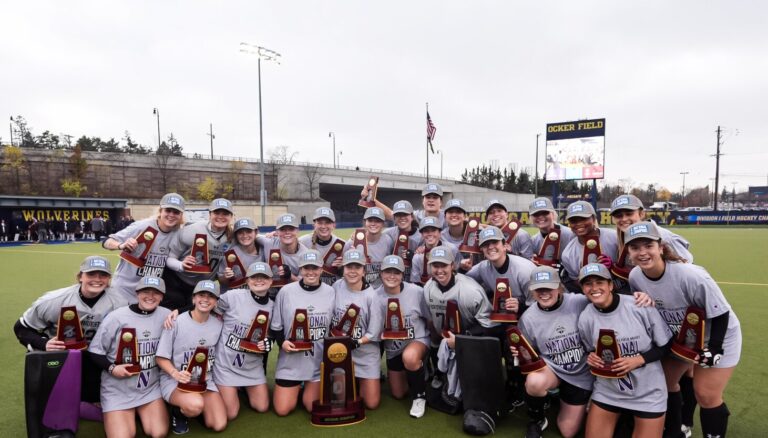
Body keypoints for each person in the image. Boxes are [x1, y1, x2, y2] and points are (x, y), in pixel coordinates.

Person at [626, 221, 741, 438]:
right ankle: (677, 431)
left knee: (706, 394)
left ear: (660, 247)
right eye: (635, 247)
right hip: (684, 338)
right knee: (664, 383)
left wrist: (714, 348)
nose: (642, 252)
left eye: (648, 245)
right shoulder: (635, 277)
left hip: (718, 335)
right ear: (629, 252)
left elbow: (721, 312)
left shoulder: (689, 275)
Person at [14, 256, 123, 415]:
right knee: (58, 396)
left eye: (103, 275)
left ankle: (92, 398)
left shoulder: (120, 301)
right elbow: (22, 328)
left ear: (109, 279)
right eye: (91, 274)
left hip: (97, 355)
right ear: (80, 277)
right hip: (64, 355)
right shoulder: (54, 300)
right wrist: (43, 344)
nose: (97, 280)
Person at [577, 263, 673, 438]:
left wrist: (637, 360)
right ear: (583, 289)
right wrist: (591, 358)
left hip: (647, 392)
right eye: (588, 284)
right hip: (608, 391)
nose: (594, 288)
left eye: (600, 282)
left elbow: (666, 345)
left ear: (611, 285)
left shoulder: (639, 306)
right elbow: (589, 350)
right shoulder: (586, 317)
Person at [513, 265, 593, 438]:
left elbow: (608, 302)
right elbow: (529, 355)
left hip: (582, 372)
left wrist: (639, 296)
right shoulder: (528, 319)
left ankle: (572, 397)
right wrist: (520, 354)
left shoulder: (578, 302)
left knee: (567, 431)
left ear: (559, 287)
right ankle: (538, 418)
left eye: (549, 288)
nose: (544, 293)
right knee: (534, 382)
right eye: (538, 289)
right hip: (553, 370)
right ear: (532, 291)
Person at [88, 276, 172, 438]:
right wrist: (112, 368)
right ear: (137, 293)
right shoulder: (116, 317)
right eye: (145, 291)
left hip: (149, 388)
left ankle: (135, 414)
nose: (150, 296)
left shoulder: (166, 315)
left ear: (162, 297)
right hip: (118, 389)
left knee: (158, 433)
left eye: (156, 293)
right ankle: (95, 408)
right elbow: (95, 351)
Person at [422, 246, 497, 399]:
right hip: (444, 334)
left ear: (453, 266)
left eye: (444, 265)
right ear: (430, 267)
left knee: (469, 387)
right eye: (436, 266)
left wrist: (462, 339)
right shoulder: (428, 287)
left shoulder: (471, 290)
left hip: (471, 338)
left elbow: (489, 325)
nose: (439, 270)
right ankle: (439, 371)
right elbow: (431, 319)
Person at [269, 250, 335, 416]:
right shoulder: (286, 292)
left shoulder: (331, 292)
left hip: (317, 362)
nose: (311, 272)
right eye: (306, 268)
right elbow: (276, 327)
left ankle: (309, 388)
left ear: (321, 269)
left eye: (315, 268)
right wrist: (282, 342)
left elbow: (335, 325)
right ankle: (296, 387)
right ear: (300, 269)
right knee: (282, 410)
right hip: (291, 360)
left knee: (312, 406)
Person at [156, 280, 226, 434]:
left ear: (215, 302)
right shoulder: (175, 322)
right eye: (201, 295)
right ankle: (178, 412)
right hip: (176, 380)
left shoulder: (218, 324)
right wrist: (175, 373)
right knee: (195, 405)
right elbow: (160, 357)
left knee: (218, 424)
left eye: (211, 296)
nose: (206, 300)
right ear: (193, 298)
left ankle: (197, 409)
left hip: (204, 380)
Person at [214, 262, 274, 420]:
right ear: (247, 280)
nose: (259, 280)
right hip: (226, 365)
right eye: (254, 277)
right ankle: (217, 389)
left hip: (252, 365)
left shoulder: (273, 306)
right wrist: (179, 311)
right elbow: (206, 308)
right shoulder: (233, 296)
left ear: (271, 281)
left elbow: (273, 333)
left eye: (264, 277)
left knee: (262, 406)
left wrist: (269, 341)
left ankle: (240, 388)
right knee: (231, 413)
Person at [103, 193, 186, 305]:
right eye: (168, 210)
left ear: (181, 215)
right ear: (160, 211)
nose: (171, 215)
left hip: (150, 293)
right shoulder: (142, 226)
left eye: (176, 212)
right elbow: (107, 241)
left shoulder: (179, 234)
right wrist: (121, 245)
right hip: (124, 289)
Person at [375, 255, 430, 418]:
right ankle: (419, 371)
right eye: (388, 272)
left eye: (396, 272)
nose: (392, 276)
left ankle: (419, 397)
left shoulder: (417, 292)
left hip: (417, 340)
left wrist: (432, 348)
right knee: (398, 393)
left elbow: (429, 320)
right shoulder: (374, 296)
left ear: (402, 274)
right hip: (393, 349)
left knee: (410, 357)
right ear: (381, 273)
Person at [331, 249, 383, 409]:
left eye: (357, 267)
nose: (352, 271)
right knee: (338, 400)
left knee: (371, 403)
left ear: (363, 271)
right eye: (349, 267)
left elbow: (374, 332)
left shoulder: (372, 296)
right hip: (340, 352)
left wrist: (357, 342)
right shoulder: (336, 286)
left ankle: (366, 378)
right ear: (343, 269)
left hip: (365, 352)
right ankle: (351, 379)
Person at [163, 198, 234, 310]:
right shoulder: (191, 230)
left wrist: (271, 234)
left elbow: (250, 237)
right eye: (216, 212)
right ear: (210, 214)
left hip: (202, 286)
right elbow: (168, 258)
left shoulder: (232, 237)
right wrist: (181, 265)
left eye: (225, 213)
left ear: (231, 217)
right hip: (177, 282)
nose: (220, 216)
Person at [560, 201, 619, 293]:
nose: (578, 223)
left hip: (620, 289)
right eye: (573, 220)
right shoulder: (568, 254)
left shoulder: (615, 237)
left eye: (583, 219)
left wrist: (614, 268)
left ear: (594, 218)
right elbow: (577, 281)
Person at [257, 213, 309, 299]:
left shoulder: (305, 254)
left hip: (292, 296)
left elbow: (304, 283)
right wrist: (268, 234)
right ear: (277, 231)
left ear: (297, 230)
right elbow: (251, 236)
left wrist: (290, 276)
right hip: (268, 296)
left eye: (291, 229)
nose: (287, 232)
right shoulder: (269, 242)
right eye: (283, 229)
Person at [344, 207, 394, 288]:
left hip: (381, 289)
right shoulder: (352, 242)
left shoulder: (388, 241)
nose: (373, 224)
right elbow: (342, 269)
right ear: (365, 222)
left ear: (383, 223)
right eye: (370, 220)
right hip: (359, 289)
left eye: (377, 221)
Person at [298, 207, 344, 285]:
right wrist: (270, 236)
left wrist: (342, 267)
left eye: (327, 222)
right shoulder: (302, 242)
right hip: (310, 289)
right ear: (314, 225)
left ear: (334, 225)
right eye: (320, 222)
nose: (323, 226)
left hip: (333, 290)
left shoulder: (342, 244)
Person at [410, 217, 462, 286]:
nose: (430, 234)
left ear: (440, 233)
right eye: (426, 231)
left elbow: (459, 272)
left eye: (433, 230)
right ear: (422, 235)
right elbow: (416, 283)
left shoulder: (452, 249)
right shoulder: (418, 256)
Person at [371, 183, 447, 228]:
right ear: (423, 201)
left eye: (435, 197)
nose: (431, 200)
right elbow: (390, 214)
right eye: (428, 197)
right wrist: (370, 198)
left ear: (441, 202)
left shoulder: (447, 217)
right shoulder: (416, 216)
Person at [219, 217, 265, 292]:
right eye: (240, 232)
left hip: (258, 295)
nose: (245, 235)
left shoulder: (265, 250)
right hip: (235, 297)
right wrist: (226, 277)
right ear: (236, 235)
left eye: (248, 231)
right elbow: (221, 280)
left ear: (256, 232)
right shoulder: (230, 254)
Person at [528, 197, 575, 269]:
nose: (540, 217)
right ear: (531, 218)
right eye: (536, 214)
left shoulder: (571, 234)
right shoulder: (533, 241)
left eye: (545, 212)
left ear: (553, 214)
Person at [383, 200, 420, 278]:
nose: (402, 218)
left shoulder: (421, 236)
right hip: (393, 277)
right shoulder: (387, 233)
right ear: (394, 218)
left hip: (413, 278)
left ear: (412, 217)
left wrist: (415, 256)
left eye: (405, 214)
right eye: (399, 215)